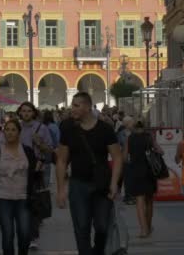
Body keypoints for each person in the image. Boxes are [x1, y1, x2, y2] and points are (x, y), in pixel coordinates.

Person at [56, 92, 123, 255]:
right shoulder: (68, 129)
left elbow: (117, 157)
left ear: (87, 107)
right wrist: (61, 190)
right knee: (81, 227)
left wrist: (114, 184)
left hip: (102, 185)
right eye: (73, 105)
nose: (73, 109)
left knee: (102, 226)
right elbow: (62, 160)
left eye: (76, 105)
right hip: (78, 184)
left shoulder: (105, 129)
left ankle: (98, 251)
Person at [0, 119, 38, 255]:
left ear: (19, 132)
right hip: (3, 198)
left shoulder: (28, 152)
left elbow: (33, 176)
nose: (10, 133)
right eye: (7, 129)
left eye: (13, 130)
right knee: (8, 234)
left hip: (23, 198)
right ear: (3, 132)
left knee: (24, 234)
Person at [17, 101, 53, 249]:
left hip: (36, 170)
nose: (26, 114)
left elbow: (50, 149)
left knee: (34, 203)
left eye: (29, 111)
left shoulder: (41, 128)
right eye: (23, 111)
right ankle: (24, 230)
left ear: (33, 113)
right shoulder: (16, 127)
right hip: (18, 170)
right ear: (20, 112)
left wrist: (39, 144)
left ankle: (33, 235)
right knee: (21, 203)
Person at [124, 120, 163, 238]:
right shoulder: (149, 137)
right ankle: (149, 226)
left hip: (136, 171)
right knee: (149, 200)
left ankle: (143, 230)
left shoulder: (129, 139)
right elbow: (161, 151)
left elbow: (125, 158)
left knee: (139, 201)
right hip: (149, 172)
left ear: (134, 128)